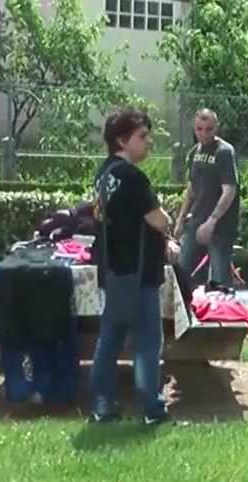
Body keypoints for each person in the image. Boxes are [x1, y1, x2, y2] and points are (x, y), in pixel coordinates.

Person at [89, 109, 175, 425]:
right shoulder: (132, 177)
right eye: (142, 136)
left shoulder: (103, 174)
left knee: (110, 337)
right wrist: (168, 220)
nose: (148, 141)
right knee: (148, 343)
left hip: (113, 271)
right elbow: (159, 220)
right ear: (122, 140)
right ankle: (152, 409)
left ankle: (102, 404)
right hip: (138, 273)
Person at [174, 109, 240, 291]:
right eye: (199, 129)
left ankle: (224, 315)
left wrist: (212, 221)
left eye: (208, 129)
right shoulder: (194, 152)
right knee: (180, 273)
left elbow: (229, 190)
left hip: (220, 227)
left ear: (216, 128)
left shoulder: (224, 152)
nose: (203, 134)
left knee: (219, 283)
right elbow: (191, 189)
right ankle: (183, 314)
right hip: (196, 221)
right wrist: (180, 220)